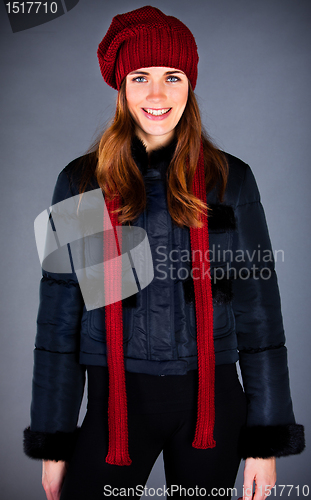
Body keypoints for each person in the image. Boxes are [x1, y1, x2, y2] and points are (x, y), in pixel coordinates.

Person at [23, 5, 305, 500]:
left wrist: (266, 441)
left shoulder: (230, 180)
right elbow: (59, 322)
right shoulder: (81, 182)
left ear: (189, 85)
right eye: (140, 77)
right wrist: (55, 440)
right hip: (114, 409)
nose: (157, 94)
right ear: (121, 88)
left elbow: (260, 314)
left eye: (172, 77)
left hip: (212, 411)